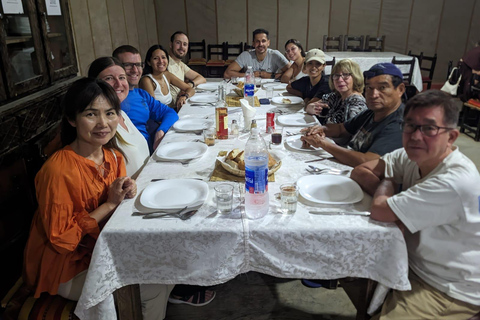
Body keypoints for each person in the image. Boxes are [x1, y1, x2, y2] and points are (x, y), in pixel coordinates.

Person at [351, 90, 480, 319]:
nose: (415, 136)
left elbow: (380, 210)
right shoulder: (410, 156)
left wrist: (387, 184)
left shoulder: (455, 181)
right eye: (410, 125)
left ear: (451, 137)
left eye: (429, 128)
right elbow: (360, 171)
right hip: (410, 261)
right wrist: (389, 191)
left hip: (447, 287)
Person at [23, 78, 137, 301]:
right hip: (64, 265)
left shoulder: (113, 156)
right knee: (138, 290)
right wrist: (110, 204)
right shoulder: (58, 171)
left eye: (110, 113)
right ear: (72, 119)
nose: (103, 123)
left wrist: (126, 189)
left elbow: (117, 197)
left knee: (158, 274)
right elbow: (61, 239)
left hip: (101, 247)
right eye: (91, 114)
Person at [301, 62, 405, 167]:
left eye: (382, 88)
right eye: (369, 88)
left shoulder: (400, 124)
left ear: (400, 89)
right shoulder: (371, 113)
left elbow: (368, 162)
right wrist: (320, 129)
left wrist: (323, 143)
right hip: (345, 165)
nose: (374, 95)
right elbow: (342, 129)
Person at [88, 57, 150, 178]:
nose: (118, 84)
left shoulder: (122, 114)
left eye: (122, 77)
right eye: (109, 78)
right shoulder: (99, 126)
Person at [112, 45, 178, 152]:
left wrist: (161, 130)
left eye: (138, 65)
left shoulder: (141, 94)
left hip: (150, 152)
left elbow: (170, 113)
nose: (135, 70)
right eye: (128, 65)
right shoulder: (111, 99)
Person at [305, 59, 367, 140]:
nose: (340, 80)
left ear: (355, 77)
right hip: (327, 141)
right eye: (336, 75)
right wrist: (312, 108)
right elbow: (309, 107)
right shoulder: (336, 96)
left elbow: (348, 135)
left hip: (339, 148)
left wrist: (319, 132)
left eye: (345, 75)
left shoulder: (357, 103)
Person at [139, 44, 195, 111]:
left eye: (163, 57)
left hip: (170, 113)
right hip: (158, 119)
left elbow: (190, 89)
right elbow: (153, 109)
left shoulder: (166, 75)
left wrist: (184, 96)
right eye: (155, 58)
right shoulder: (146, 80)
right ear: (149, 62)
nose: (161, 61)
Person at [223, 28, 290, 79]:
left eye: (263, 41)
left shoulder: (275, 54)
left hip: (270, 88)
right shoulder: (246, 55)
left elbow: (291, 73)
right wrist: (250, 75)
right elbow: (227, 74)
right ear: (253, 43)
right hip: (250, 88)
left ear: (268, 43)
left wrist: (271, 75)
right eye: (257, 41)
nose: (260, 44)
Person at [168, 31, 206, 106]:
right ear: (171, 44)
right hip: (170, 108)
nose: (182, 47)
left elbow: (202, 78)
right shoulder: (165, 63)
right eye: (178, 43)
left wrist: (190, 84)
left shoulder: (181, 64)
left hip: (181, 103)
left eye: (185, 44)